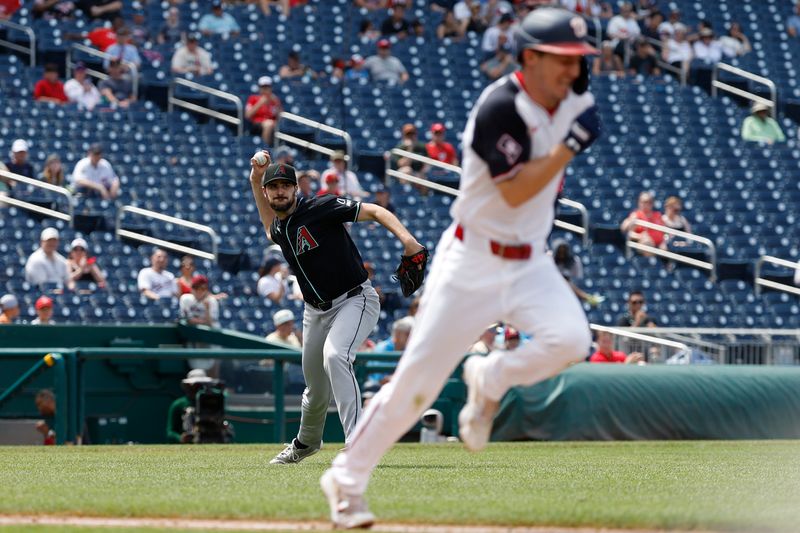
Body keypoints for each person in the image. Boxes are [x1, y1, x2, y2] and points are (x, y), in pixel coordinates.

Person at [320, 7, 601, 528]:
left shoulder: (575, 100)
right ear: (531, 57)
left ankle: (491, 375)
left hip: (530, 263)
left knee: (571, 339)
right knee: (416, 387)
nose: (574, 70)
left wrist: (568, 139)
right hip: (471, 260)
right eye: (564, 59)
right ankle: (346, 479)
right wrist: (569, 147)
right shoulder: (501, 105)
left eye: (580, 60)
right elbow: (515, 191)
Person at [248, 157, 423, 465]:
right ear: (266, 193)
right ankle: (306, 444)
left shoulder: (319, 208)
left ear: (295, 189)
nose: (279, 192)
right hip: (314, 312)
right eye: (273, 187)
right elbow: (267, 228)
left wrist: (409, 241)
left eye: (285, 186)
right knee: (315, 390)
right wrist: (254, 178)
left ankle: (359, 443)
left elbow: (375, 210)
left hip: (355, 299)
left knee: (335, 356)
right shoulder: (281, 227)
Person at [167, 369, 211, 444]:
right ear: (187, 386)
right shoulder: (178, 404)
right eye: (195, 386)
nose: (197, 389)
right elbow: (170, 432)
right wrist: (181, 438)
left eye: (201, 385)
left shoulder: (212, 403)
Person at [245, 76, 282, 144]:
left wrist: (277, 103)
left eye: (267, 87)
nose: (265, 89)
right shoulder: (253, 98)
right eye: (263, 87)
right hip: (256, 124)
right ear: (259, 88)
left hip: (272, 125)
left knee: (272, 125)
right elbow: (248, 115)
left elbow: (280, 117)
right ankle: (265, 148)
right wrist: (260, 103)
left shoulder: (274, 100)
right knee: (268, 124)